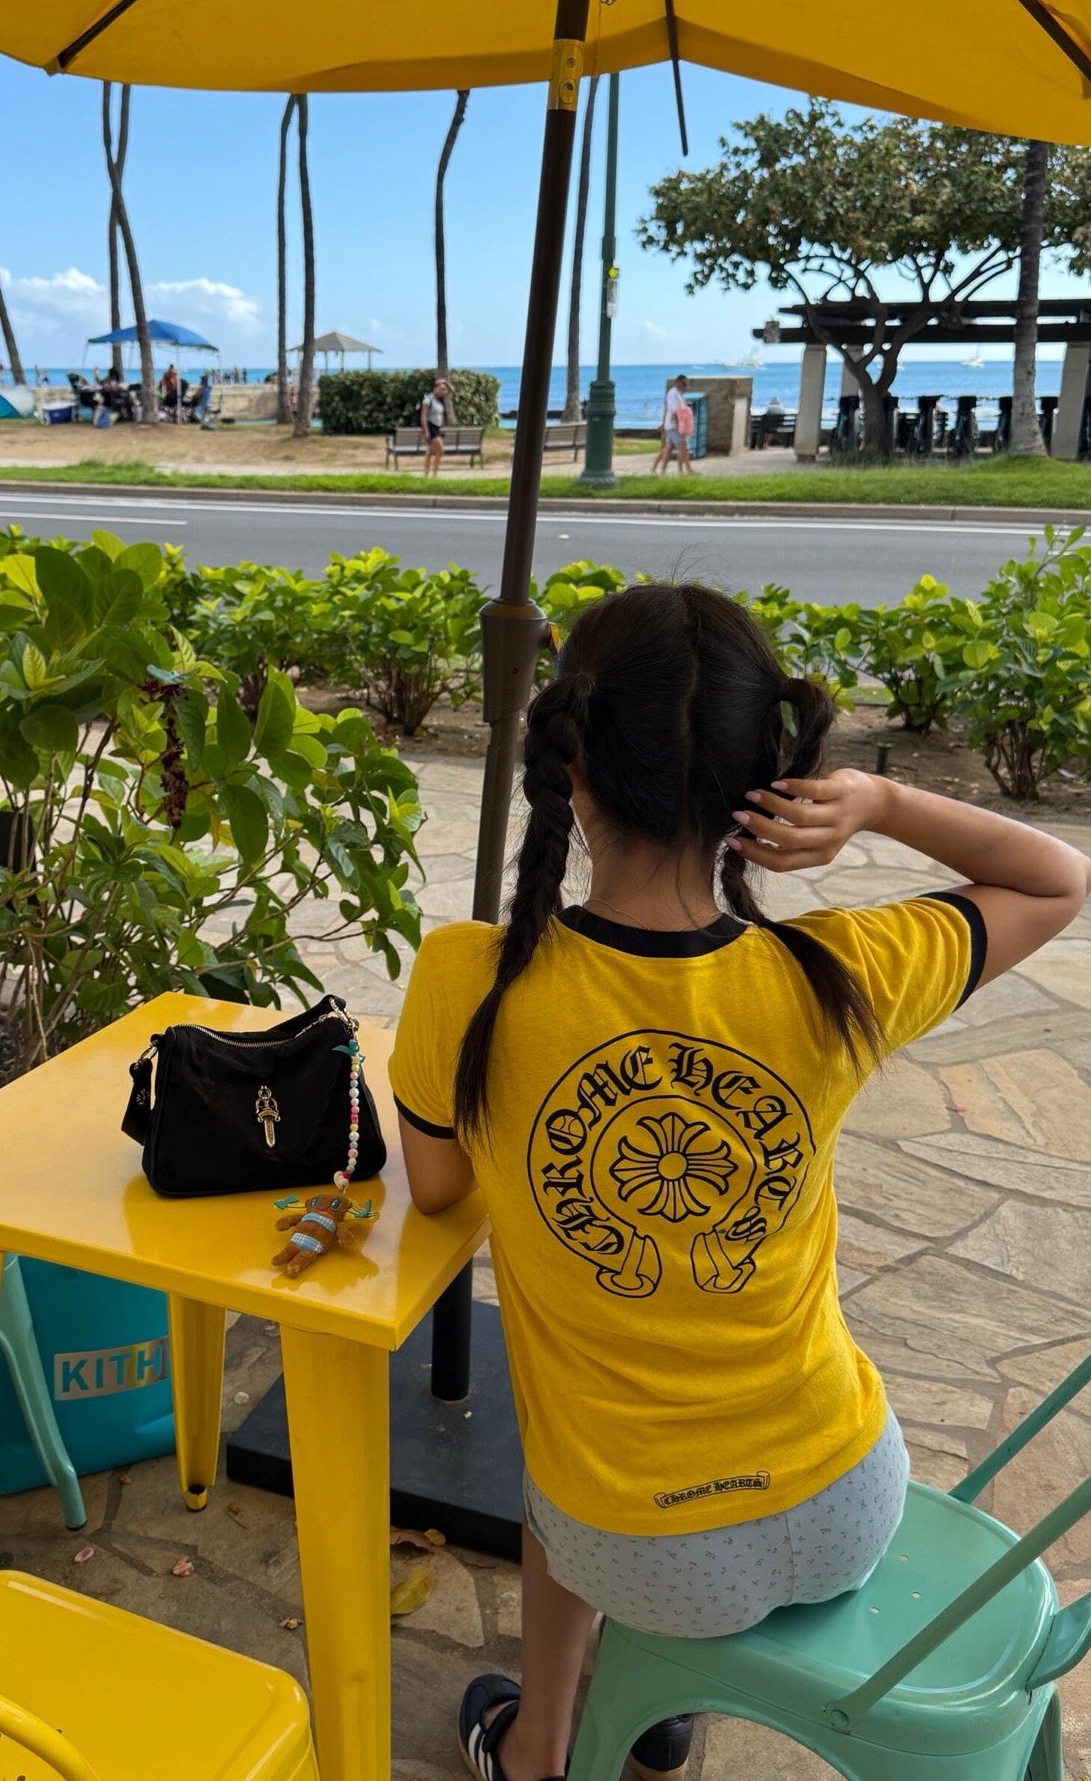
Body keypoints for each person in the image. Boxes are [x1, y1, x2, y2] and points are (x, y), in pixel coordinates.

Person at [388, 582, 1088, 1781]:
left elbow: (440, 1191)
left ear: (570, 766)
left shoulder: (469, 980)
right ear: (768, 783)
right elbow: (1058, 878)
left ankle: (543, 1747)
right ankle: (647, 1712)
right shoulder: (838, 973)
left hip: (634, 1546)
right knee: (591, 1488)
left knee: (562, 1489)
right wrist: (880, 802)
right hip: (848, 1498)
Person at [652, 373, 693, 475]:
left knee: (667, 448)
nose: (685, 386)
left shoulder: (678, 394)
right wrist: (679, 426)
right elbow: (674, 411)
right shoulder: (673, 394)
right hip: (673, 425)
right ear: (678, 383)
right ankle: (686, 470)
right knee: (682, 447)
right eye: (684, 384)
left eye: (686, 384)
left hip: (671, 425)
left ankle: (658, 470)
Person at [421, 376, 451, 476]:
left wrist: (445, 382)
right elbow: (423, 416)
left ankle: (427, 475)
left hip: (437, 428)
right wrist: (426, 431)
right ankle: (434, 474)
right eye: (441, 388)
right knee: (440, 450)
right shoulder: (427, 399)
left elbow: (451, 391)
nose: (442, 391)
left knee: (430, 453)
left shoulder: (438, 400)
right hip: (431, 427)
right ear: (435, 388)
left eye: (443, 389)